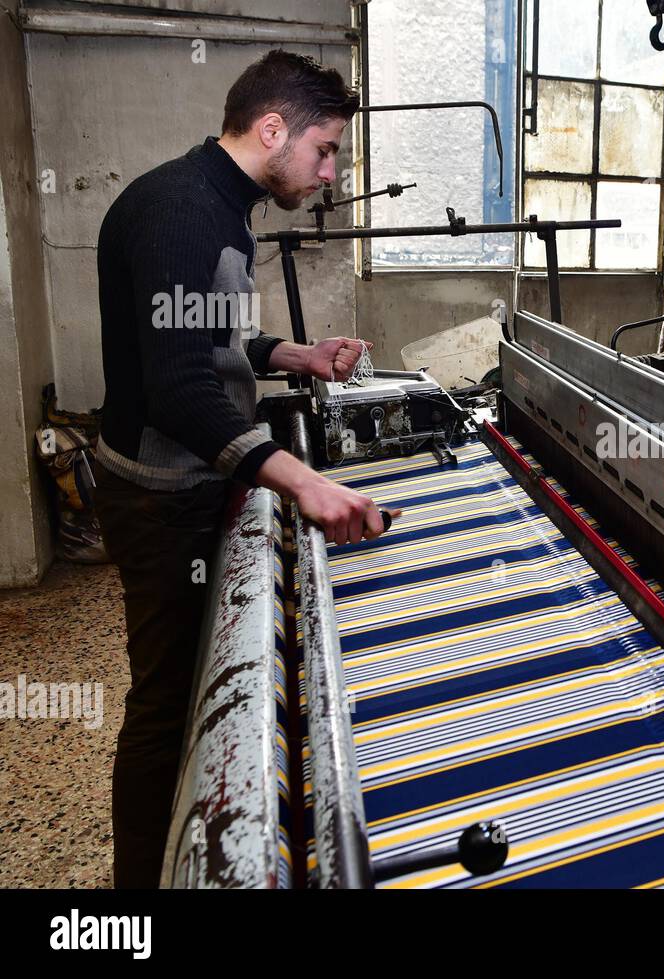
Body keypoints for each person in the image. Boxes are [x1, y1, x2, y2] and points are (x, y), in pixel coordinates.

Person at [93, 50, 387, 888]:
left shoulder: (217, 203)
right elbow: (179, 383)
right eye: (324, 150)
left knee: (190, 696)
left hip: (191, 485)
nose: (329, 173)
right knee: (170, 708)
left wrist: (290, 351)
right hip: (163, 500)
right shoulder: (183, 211)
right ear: (271, 129)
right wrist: (301, 478)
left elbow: (207, 338)